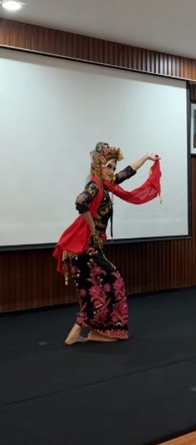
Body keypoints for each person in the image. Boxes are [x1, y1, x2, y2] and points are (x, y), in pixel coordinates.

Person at [53, 142, 161, 345]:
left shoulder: (105, 185)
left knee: (99, 290)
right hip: (83, 250)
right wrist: (92, 226)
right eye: (109, 167)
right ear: (98, 167)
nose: (112, 171)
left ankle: (89, 333)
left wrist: (146, 158)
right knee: (111, 285)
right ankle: (92, 332)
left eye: (113, 167)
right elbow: (80, 202)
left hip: (90, 249)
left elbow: (126, 173)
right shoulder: (95, 185)